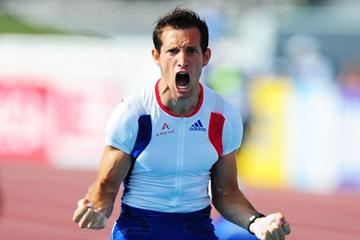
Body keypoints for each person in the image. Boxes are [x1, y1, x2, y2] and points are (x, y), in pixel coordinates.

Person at [72, 7, 291, 240]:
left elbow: (226, 194)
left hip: (195, 230)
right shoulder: (134, 114)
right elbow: (106, 187)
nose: (182, 61)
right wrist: (95, 210)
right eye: (172, 51)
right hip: (139, 230)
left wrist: (256, 222)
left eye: (191, 51)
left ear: (206, 57)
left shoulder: (223, 116)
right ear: (156, 56)